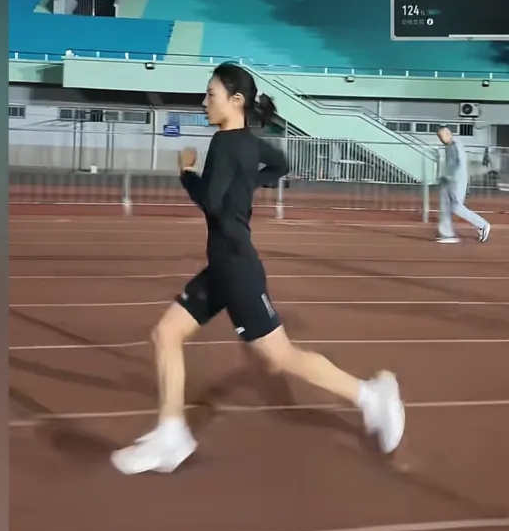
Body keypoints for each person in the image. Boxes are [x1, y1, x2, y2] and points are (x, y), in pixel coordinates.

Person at [110, 62, 406, 475]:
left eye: (210, 94)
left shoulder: (224, 143)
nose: (204, 102)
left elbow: (212, 203)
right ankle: (171, 435)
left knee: (281, 357)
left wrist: (186, 174)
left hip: (236, 269)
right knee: (166, 334)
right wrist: (247, 183)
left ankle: (371, 395)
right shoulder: (249, 144)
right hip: (224, 265)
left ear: (236, 101)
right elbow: (280, 164)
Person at [435, 125, 491, 243]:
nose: (440, 139)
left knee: (456, 207)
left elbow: (460, 164)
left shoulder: (456, 145)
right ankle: (447, 235)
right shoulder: (448, 146)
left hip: (457, 180)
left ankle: (483, 225)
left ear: (448, 134)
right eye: (439, 136)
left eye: (441, 136)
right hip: (448, 180)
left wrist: (453, 177)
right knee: (445, 206)